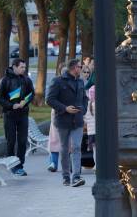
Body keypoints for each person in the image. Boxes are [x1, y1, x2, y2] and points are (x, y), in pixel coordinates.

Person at [46, 59, 88, 187]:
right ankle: (66, 176)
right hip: (63, 120)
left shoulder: (80, 81)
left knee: (76, 147)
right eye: (80, 67)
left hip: (78, 120)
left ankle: (76, 176)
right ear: (75, 68)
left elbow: (84, 98)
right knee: (64, 148)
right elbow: (49, 99)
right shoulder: (58, 81)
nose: (82, 69)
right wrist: (65, 108)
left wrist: (83, 110)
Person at [0, 58, 34, 176]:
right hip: (10, 115)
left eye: (24, 67)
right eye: (22, 67)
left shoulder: (26, 80)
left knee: (22, 141)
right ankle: (12, 165)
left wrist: (24, 102)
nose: (24, 69)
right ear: (14, 67)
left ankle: (19, 166)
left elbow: (31, 93)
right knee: (11, 141)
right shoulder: (5, 80)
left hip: (23, 115)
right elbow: (0, 97)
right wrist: (12, 106)